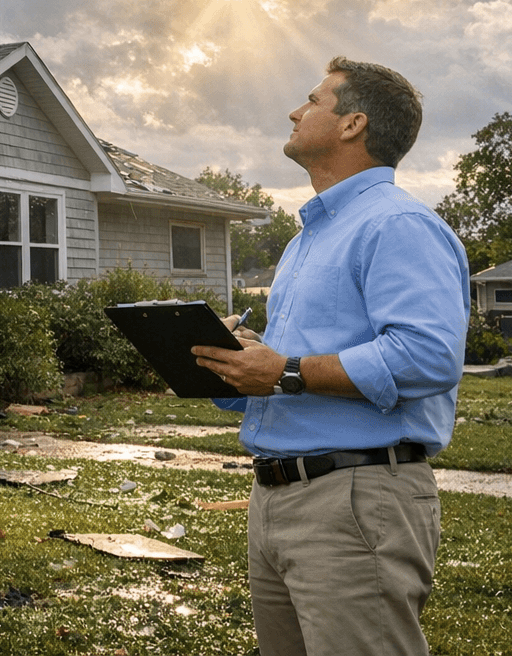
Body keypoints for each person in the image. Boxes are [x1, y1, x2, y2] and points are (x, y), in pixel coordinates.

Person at [192, 57, 470, 656]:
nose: (295, 111)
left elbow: (426, 356)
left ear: (352, 125)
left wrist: (286, 370)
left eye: (313, 101)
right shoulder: (305, 240)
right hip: (274, 497)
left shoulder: (397, 225)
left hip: (355, 498)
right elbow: (283, 370)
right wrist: (240, 359)